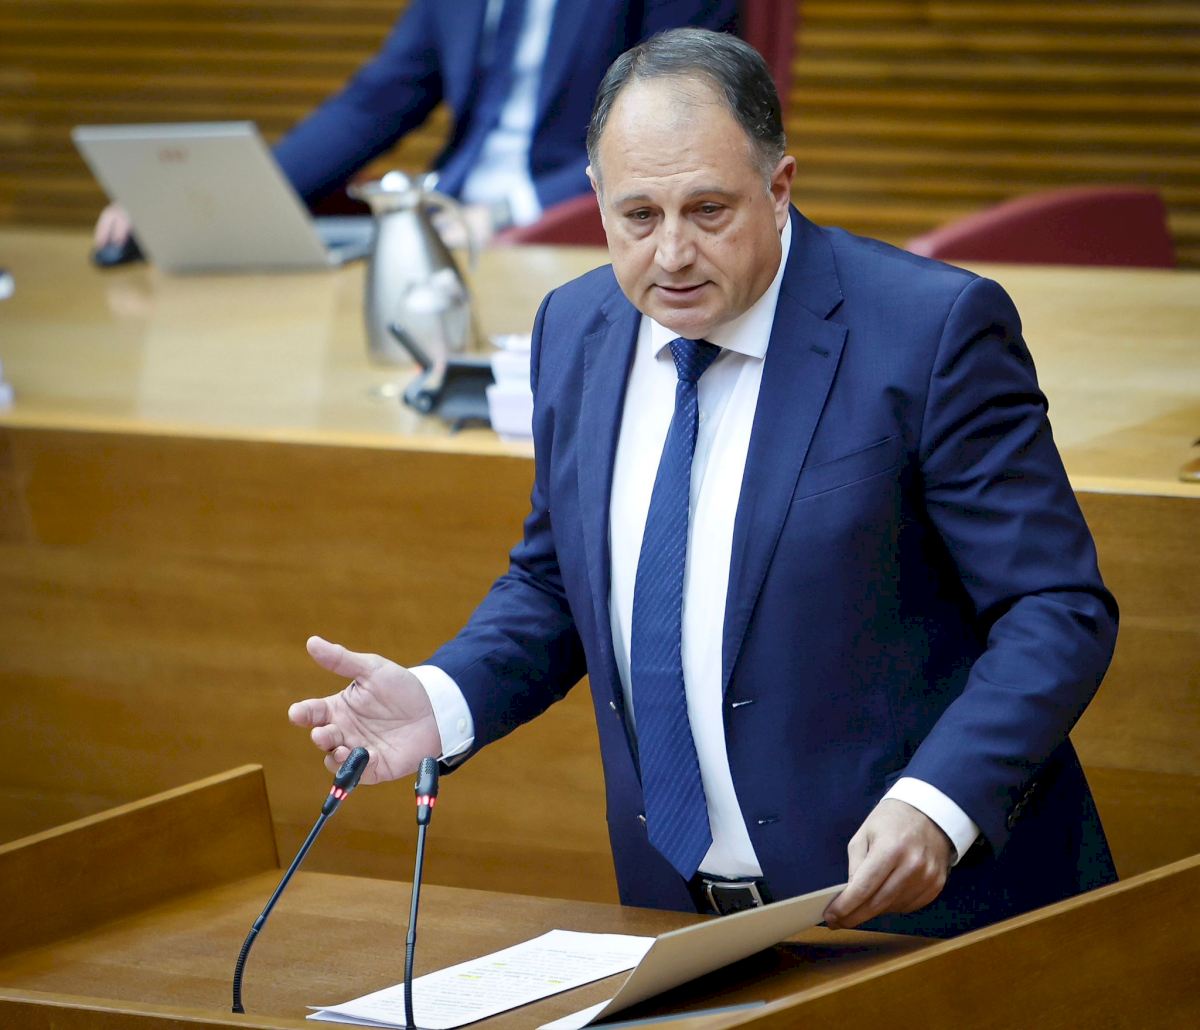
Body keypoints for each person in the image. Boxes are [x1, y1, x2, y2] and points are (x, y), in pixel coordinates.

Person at [289, 28, 1119, 937]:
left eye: (708, 210)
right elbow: (559, 581)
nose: (673, 253)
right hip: (681, 921)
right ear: (596, 198)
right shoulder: (577, 328)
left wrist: (940, 801)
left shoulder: (930, 332)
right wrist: (443, 698)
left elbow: (1055, 606)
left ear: (779, 186)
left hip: (932, 915)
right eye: (639, 216)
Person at [91, 0, 737, 261]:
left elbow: (679, 123)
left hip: (575, 232)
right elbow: (373, 105)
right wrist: (215, 196)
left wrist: (506, 214)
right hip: (444, 228)